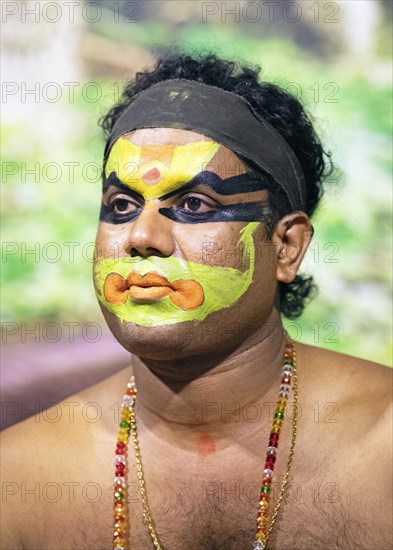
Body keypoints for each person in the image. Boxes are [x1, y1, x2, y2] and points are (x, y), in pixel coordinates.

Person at [1, 54, 391, 550]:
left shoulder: (383, 447)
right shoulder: (19, 481)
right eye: (121, 206)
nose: (142, 236)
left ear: (286, 247)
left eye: (193, 206)